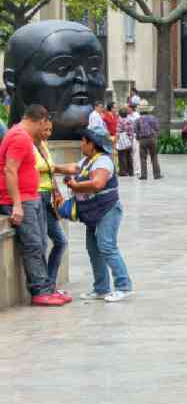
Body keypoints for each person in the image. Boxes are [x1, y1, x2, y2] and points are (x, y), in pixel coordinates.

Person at [59, 127, 132, 302]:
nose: (81, 145)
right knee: (93, 249)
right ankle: (101, 288)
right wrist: (50, 167)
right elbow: (72, 168)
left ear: (92, 145)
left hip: (107, 209)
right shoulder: (87, 160)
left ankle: (123, 286)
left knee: (107, 246)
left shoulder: (103, 162)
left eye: (83, 142)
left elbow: (98, 183)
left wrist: (76, 186)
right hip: (92, 212)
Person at [2, 105, 60, 305]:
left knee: (41, 243)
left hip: (31, 196)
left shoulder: (25, 137)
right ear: (41, 120)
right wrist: (17, 205)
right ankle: (40, 291)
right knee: (33, 245)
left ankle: (46, 287)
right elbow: (10, 170)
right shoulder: (19, 137)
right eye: (46, 124)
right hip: (22, 200)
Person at [32, 117, 68, 298]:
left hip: (48, 196)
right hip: (36, 195)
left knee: (61, 241)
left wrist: (57, 190)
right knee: (42, 244)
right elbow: (43, 167)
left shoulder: (43, 145)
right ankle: (45, 287)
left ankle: (50, 284)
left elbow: (50, 169)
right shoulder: (28, 145)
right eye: (45, 129)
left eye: (50, 130)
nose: (47, 133)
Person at [136, 108, 162, 180]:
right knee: (154, 156)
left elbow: (136, 130)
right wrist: (155, 136)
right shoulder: (153, 118)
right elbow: (157, 128)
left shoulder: (138, 120)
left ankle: (144, 175)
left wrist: (138, 138)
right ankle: (157, 175)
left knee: (143, 158)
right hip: (152, 139)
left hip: (143, 140)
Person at [114, 106, 137, 176]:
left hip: (122, 140)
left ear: (120, 114)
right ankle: (131, 171)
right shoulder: (130, 120)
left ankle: (123, 172)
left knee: (122, 156)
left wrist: (116, 141)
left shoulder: (120, 120)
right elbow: (132, 130)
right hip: (129, 139)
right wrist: (131, 138)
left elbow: (118, 132)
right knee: (129, 156)